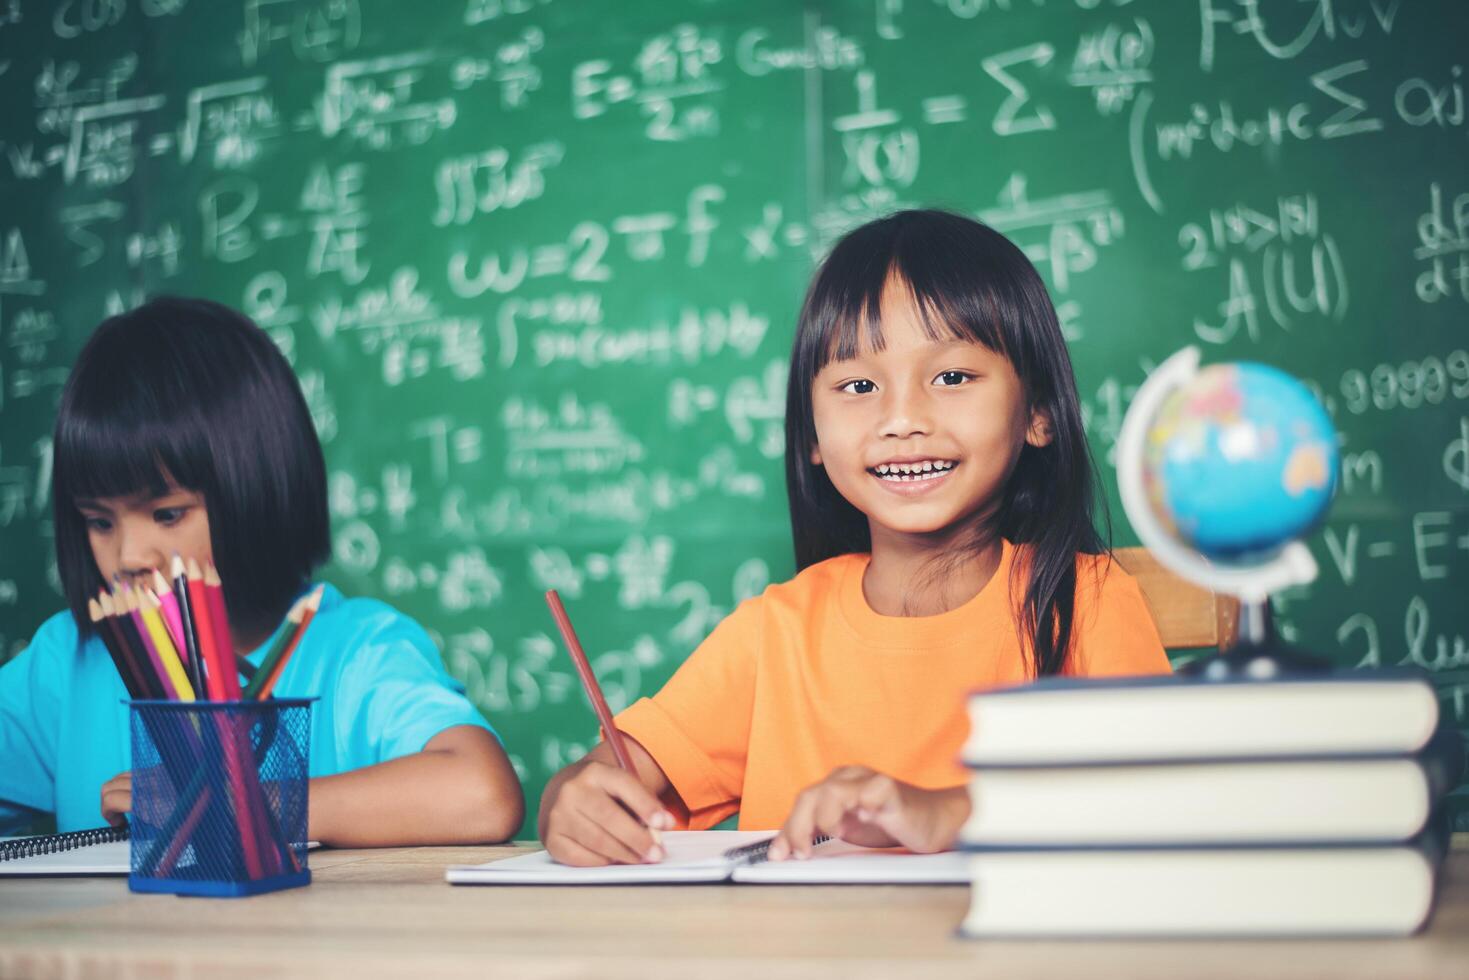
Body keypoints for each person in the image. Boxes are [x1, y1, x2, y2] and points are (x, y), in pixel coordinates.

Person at [538, 209, 1170, 866]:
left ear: (1036, 412)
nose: (900, 419)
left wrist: (951, 810)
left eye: (951, 377)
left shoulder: (1085, 602)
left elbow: (1164, 795)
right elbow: (594, 781)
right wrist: (571, 805)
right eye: (858, 385)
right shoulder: (772, 635)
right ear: (810, 435)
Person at [0, 297, 524, 846]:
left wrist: (236, 803)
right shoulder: (65, 663)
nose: (130, 556)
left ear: (256, 490)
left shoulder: (356, 652)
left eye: (168, 514)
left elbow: (482, 795)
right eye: (99, 522)